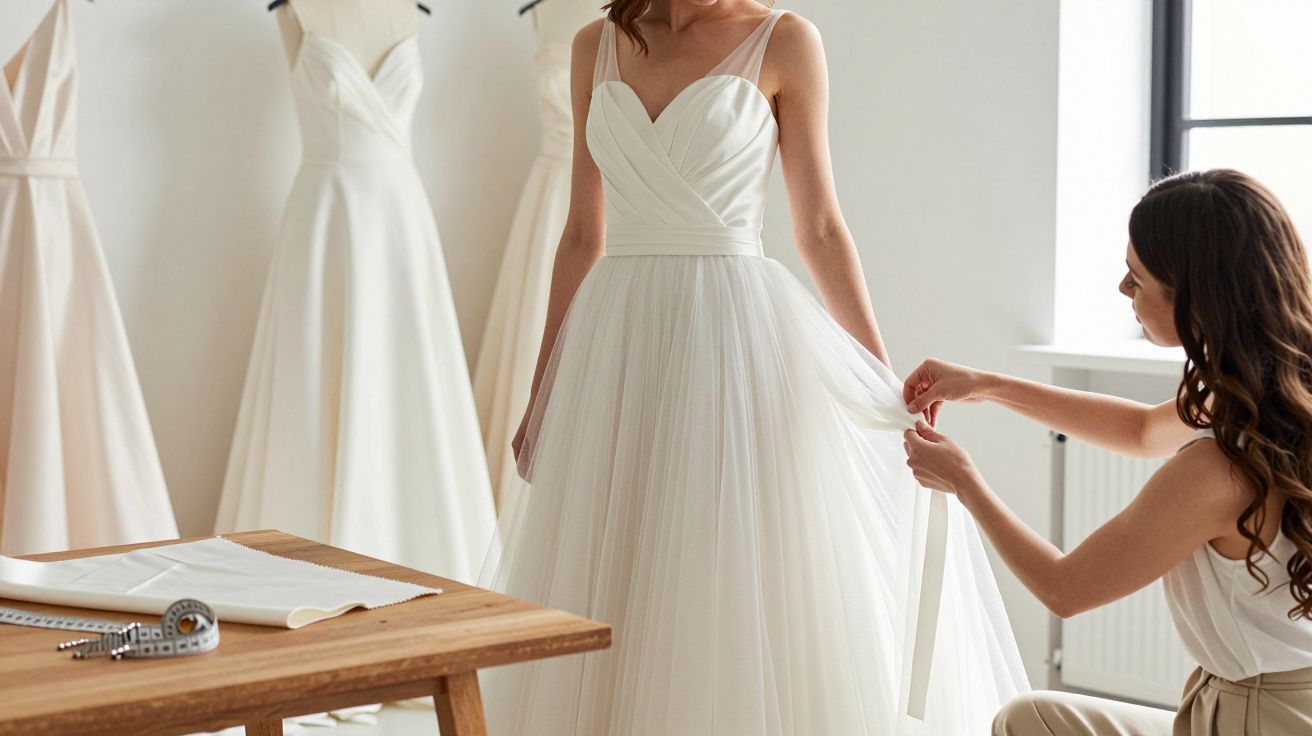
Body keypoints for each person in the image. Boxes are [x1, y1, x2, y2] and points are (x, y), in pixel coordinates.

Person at [480, 0, 1027, 733]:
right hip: (616, 340)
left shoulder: (785, 40)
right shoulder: (594, 45)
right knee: (614, 561)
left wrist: (879, 378)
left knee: (718, 560)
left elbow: (821, 227)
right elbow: (582, 234)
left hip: (732, 337)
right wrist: (544, 391)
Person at [903, 168, 1312, 735]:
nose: (1123, 290)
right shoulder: (1278, 394)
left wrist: (964, 481)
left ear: (1196, 297)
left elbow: (1064, 588)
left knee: (1027, 723)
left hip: (1261, 721)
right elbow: (1142, 431)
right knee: (1033, 717)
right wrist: (986, 384)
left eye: (1136, 276)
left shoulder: (1220, 468)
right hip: (1269, 706)